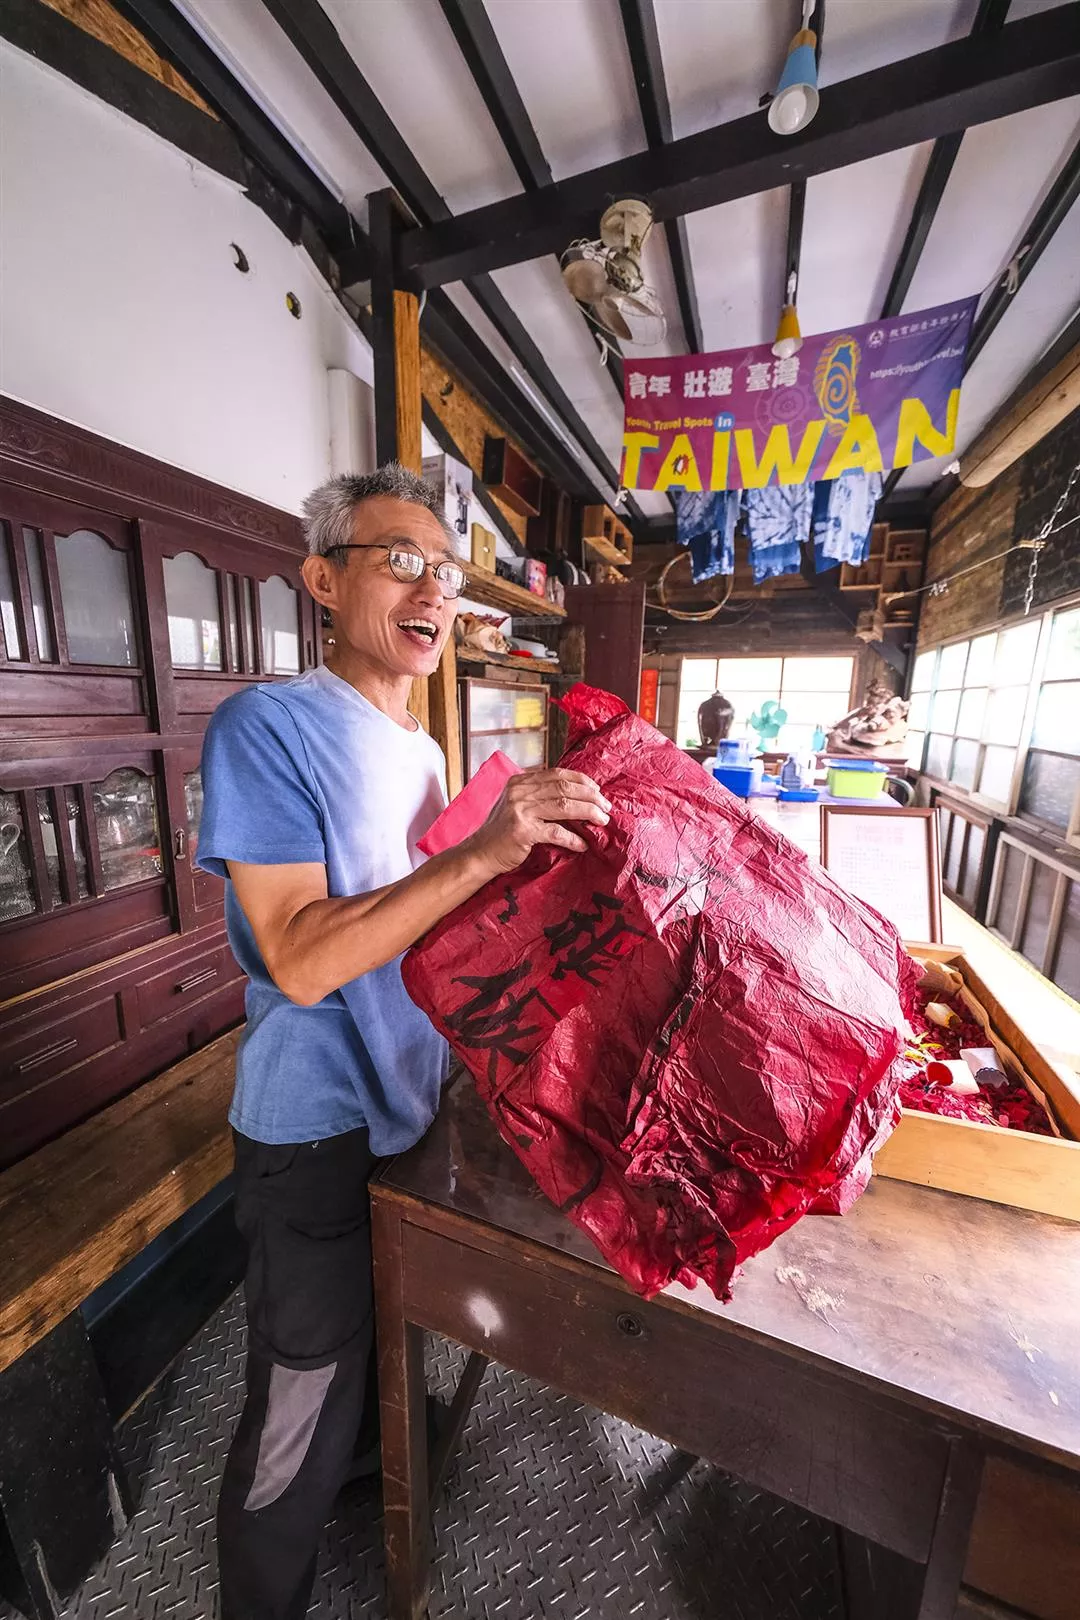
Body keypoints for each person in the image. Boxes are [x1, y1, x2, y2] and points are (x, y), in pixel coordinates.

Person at [196, 464, 610, 1620]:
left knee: (383, 1344)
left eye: (446, 570)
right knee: (298, 1397)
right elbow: (301, 957)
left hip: (412, 1106)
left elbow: (429, 927)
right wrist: (478, 857)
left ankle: (365, 1479)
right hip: (314, 1129)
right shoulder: (268, 727)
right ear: (324, 581)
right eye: (399, 561)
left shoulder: (422, 749)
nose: (433, 589)